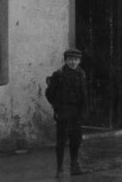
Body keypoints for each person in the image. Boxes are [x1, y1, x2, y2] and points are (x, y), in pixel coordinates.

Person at [45, 48, 89, 177]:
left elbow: (84, 94)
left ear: (79, 61)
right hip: (63, 112)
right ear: (65, 60)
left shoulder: (81, 74)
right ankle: (59, 168)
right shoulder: (58, 74)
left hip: (76, 112)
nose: (73, 62)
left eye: (76, 60)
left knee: (76, 140)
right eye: (70, 60)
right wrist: (57, 108)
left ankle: (74, 165)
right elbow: (49, 94)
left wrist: (84, 111)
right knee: (61, 141)